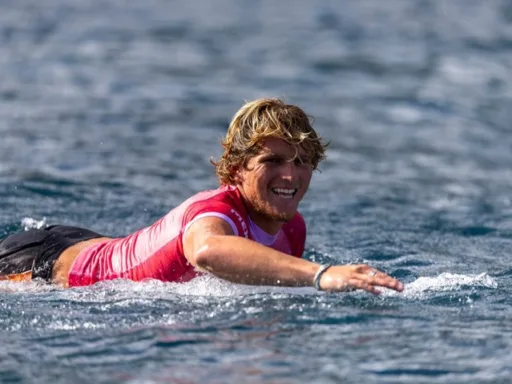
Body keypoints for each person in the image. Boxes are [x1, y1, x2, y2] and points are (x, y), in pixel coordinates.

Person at [0, 98, 403, 294]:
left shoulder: (292, 228)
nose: (290, 174)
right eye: (273, 160)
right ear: (234, 169)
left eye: (302, 161)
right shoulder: (214, 214)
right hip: (39, 265)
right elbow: (207, 251)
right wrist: (321, 274)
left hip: (89, 240)